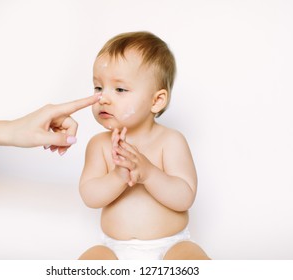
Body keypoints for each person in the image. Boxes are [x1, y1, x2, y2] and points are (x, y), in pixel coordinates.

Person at [78, 31, 210, 260]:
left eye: (119, 89)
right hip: (114, 249)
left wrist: (148, 174)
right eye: (98, 88)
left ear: (156, 100)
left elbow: (184, 197)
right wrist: (118, 176)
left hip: (171, 245)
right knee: (91, 259)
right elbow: (90, 196)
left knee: (192, 259)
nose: (103, 98)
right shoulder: (99, 145)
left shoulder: (170, 141)